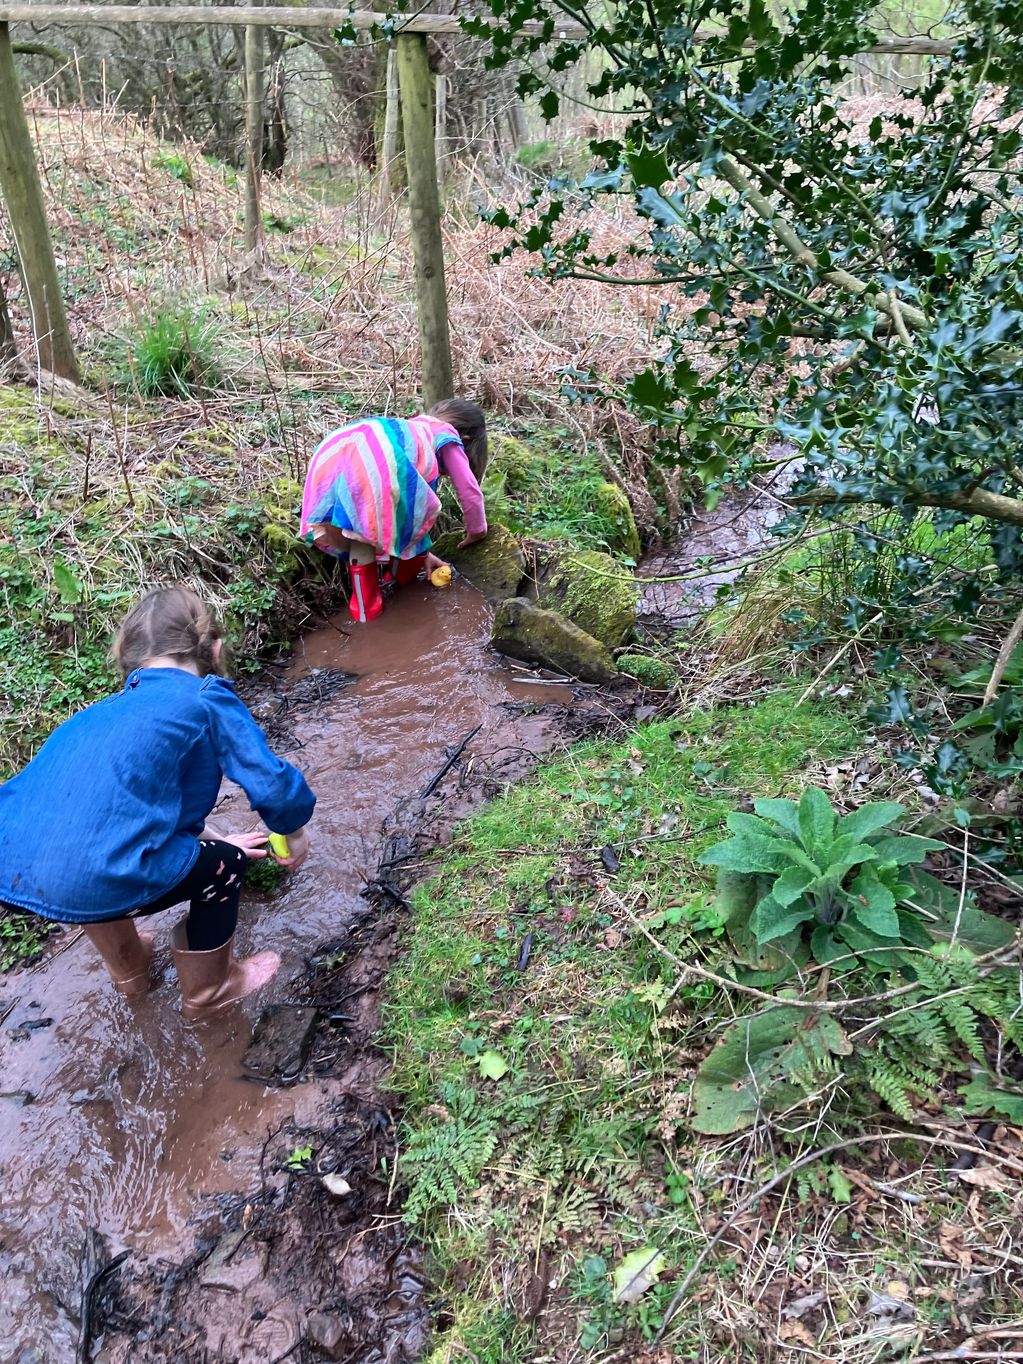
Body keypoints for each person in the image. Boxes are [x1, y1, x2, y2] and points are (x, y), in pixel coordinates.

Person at [0, 587, 315, 1022]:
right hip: (94, 870)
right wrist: (292, 832)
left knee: (94, 858)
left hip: (15, 868)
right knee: (224, 868)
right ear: (214, 649)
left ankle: (130, 972)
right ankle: (212, 991)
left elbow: (122, 817)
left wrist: (214, 839)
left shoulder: (97, 713)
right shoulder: (205, 698)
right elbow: (272, 784)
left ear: (129, 661)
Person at [300, 397, 489, 622]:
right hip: (375, 458)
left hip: (334, 449)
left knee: (359, 536)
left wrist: (424, 554)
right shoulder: (447, 436)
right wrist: (477, 530)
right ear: (465, 439)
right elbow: (469, 490)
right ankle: (398, 582)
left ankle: (365, 611)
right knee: (415, 513)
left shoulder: (408, 430)